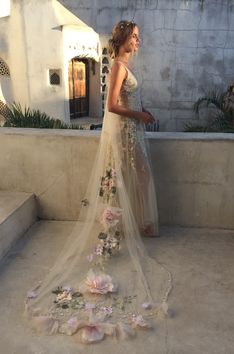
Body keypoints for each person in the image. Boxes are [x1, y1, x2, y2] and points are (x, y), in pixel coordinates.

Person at [24, 20, 174, 346]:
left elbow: (128, 102)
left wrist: (142, 110)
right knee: (132, 177)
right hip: (126, 132)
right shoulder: (119, 65)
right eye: (135, 36)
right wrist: (140, 116)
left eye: (138, 35)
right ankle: (128, 229)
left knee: (137, 177)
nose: (139, 39)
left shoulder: (125, 65)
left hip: (134, 129)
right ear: (123, 40)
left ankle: (135, 226)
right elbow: (112, 106)